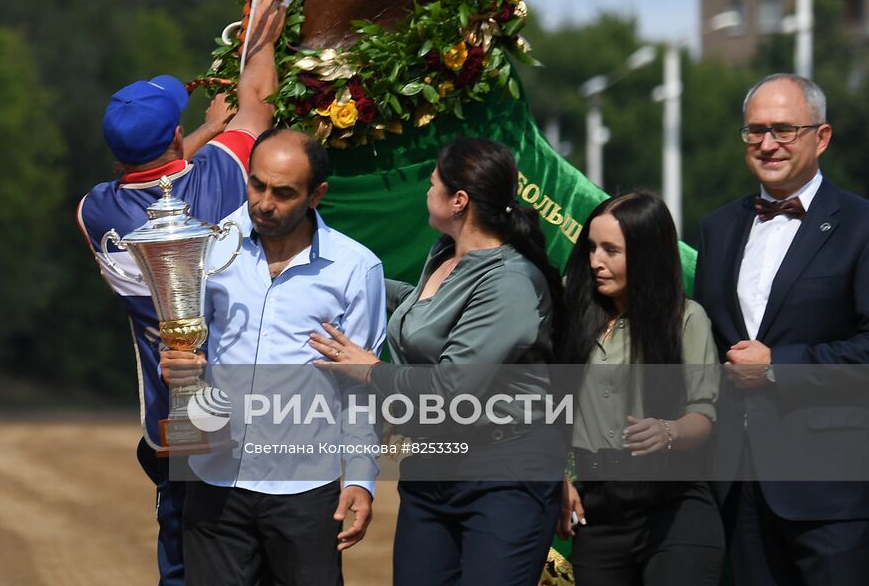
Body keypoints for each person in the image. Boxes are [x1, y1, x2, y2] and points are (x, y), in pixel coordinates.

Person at [75, 0, 285, 586]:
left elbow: (150, 182)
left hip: (175, 424)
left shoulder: (95, 211)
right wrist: (264, 38)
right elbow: (259, 107)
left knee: (185, 561)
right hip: (249, 412)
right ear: (172, 130)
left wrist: (197, 135)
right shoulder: (223, 171)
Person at [311, 137, 564, 586]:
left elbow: (453, 389)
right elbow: (423, 313)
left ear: (459, 200)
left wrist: (369, 370)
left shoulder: (510, 282)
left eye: (432, 185)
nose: (426, 194)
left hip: (503, 474)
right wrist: (346, 280)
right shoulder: (446, 255)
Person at [161, 128, 387, 586]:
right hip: (212, 478)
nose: (265, 203)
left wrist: (361, 478)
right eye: (257, 184)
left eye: (283, 193)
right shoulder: (208, 245)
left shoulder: (356, 269)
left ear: (316, 194)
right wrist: (176, 364)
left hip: (305, 487)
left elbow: (359, 389)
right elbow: (183, 343)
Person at [692, 73, 869, 585]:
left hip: (832, 489)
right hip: (737, 484)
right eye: (755, 131)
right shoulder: (718, 227)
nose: (767, 144)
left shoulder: (861, 225)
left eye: (784, 130)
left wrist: (778, 367)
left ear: (823, 136)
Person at [557, 192, 723, 585]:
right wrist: (559, 477)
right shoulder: (567, 313)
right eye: (592, 247)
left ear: (647, 254)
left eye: (611, 250)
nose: (596, 261)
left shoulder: (687, 318)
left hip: (675, 510)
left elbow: (705, 415)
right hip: (595, 518)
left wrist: (670, 431)